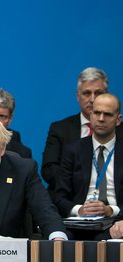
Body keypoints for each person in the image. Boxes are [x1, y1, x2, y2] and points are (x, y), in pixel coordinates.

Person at [53, 93, 123, 239]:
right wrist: (80, 210)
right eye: (97, 113)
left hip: (116, 221)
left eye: (108, 114)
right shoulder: (73, 150)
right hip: (79, 222)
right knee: (60, 239)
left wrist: (111, 210)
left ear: (118, 120)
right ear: (90, 115)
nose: (101, 119)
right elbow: (59, 196)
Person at [42, 67, 109, 191]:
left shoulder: (119, 130)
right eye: (87, 93)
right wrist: (78, 185)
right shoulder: (60, 129)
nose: (93, 99)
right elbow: (49, 169)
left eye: (98, 93)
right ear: (78, 96)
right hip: (68, 197)